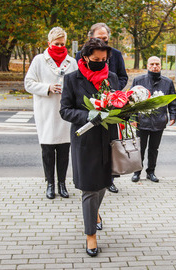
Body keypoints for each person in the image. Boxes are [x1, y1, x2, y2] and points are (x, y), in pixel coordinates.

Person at [60, 38, 119, 257]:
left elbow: (118, 104)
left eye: (104, 60)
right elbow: (65, 111)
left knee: (103, 183)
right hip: (85, 142)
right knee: (89, 189)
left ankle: (94, 213)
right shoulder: (72, 79)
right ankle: (90, 236)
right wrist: (89, 115)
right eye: (96, 59)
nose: (101, 63)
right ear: (85, 57)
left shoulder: (111, 78)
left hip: (107, 140)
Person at [25, 27, 78, 199]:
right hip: (46, 110)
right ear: (49, 43)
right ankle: (50, 183)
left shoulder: (71, 62)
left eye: (63, 44)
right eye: (56, 44)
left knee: (64, 149)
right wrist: (47, 87)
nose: (60, 47)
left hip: (65, 112)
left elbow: (77, 83)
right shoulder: (39, 60)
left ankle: (62, 183)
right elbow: (29, 83)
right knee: (47, 149)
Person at [76, 23, 128, 193]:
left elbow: (122, 76)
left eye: (105, 39)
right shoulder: (80, 55)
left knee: (109, 147)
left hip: (110, 104)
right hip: (89, 106)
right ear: (90, 37)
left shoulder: (116, 55)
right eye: (99, 38)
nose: (102, 41)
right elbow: (77, 80)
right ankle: (89, 183)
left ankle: (109, 180)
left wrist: (114, 92)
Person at [130, 56, 176, 183]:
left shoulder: (167, 82)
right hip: (141, 121)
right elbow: (131, 101)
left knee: (153, 149)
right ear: (147, 66)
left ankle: (151, 172)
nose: (155, 66)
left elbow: (172, 100)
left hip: (159, 121)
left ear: (161, 66)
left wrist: (173, 115)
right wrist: (133, 118)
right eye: (152, 64)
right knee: (140, 149)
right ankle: (137, 172)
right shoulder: (138, 80)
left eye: (157, 64)